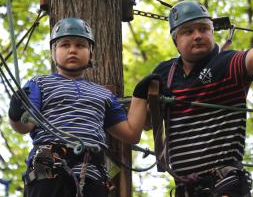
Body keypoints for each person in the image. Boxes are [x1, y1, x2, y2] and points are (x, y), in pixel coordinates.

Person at [132, 0, 253, 197]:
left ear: (212, 32)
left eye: (203, 29)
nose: (197, 36)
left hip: (223, 183)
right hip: (186, 189)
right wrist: (144, 97)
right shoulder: (164, 73)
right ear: (175, 40)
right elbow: (146, 124)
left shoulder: (226, 64)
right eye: (188, 31)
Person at [8, 17, 148, 197]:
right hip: (49, 169)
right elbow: (24, 125)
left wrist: (140, 94)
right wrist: (15, 114)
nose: (72, 50)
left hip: (90, 172)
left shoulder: (104, 95)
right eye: (64, 45)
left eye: (80, 45)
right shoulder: (40, 83)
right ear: (53, 52)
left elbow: (131, 134)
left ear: (90, 53)